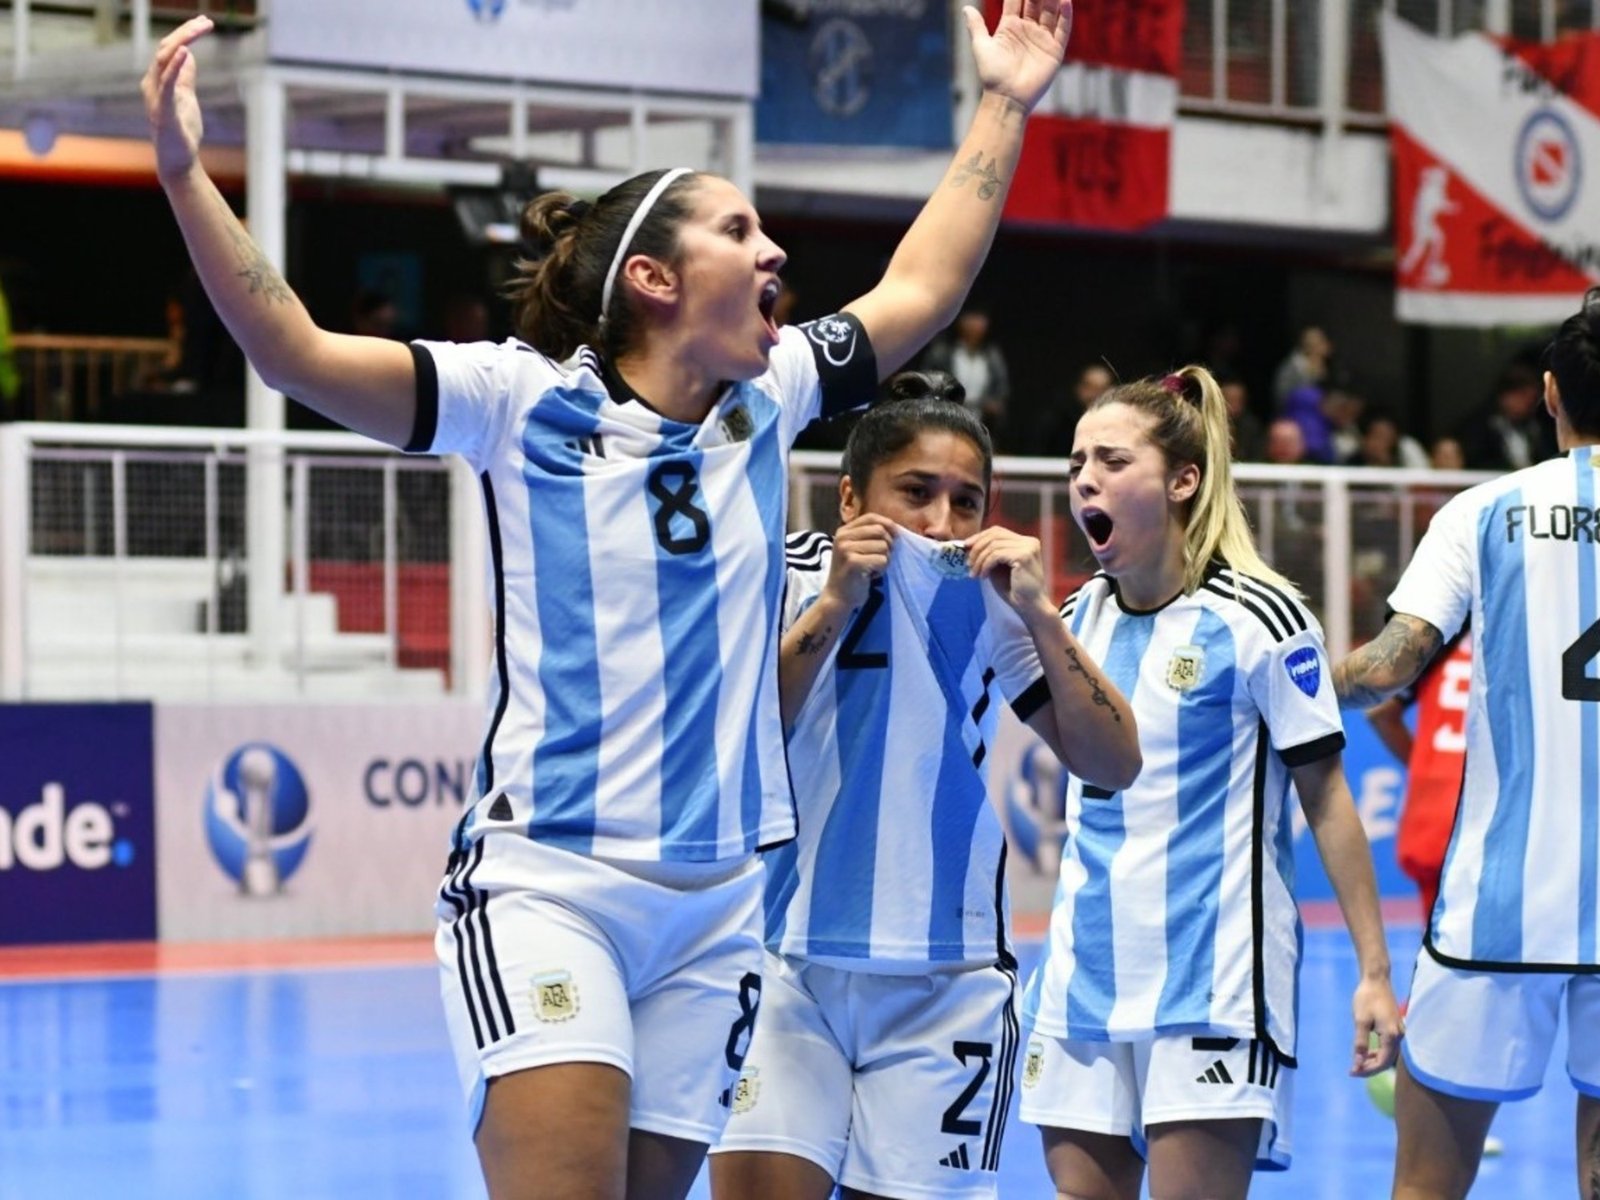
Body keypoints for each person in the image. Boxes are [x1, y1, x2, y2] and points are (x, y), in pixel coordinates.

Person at [142, 5, 1074, 1198]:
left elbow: (925, 285)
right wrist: (183, 176)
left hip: (718, 906)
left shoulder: (766, 399)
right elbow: (294, 351)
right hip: (552, 882)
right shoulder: (516, 402)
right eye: (740, 229)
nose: (774, 250)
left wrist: (1004, 98)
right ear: (653, 276)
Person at [709, 371, 1139, 1200]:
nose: (941, 523)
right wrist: (836, 600)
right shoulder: (786, 577)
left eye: (966, 501)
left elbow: (1114, 762)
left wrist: (1045, 617)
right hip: (782, 961)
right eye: (915, 493)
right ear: (848, 496)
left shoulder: (999, 603)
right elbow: (739, 740)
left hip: (949, 981)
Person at [1019, 366, 1401, 1199]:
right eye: (1078, 461)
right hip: (1083, 972)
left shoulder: (1262, 617)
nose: (1086, 478)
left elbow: (1327, 796)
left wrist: (1374, 972)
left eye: (1114, 461)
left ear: (1183, 480)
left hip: (1215, 980)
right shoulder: (1076, 614)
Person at [1332, 288, 1600, 1200]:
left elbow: (1388, 667)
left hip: (1498, 909)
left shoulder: (1481, 512)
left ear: (1551, 394)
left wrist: (1275, 672)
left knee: (1425, 1189)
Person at [922, 306, 1011, 446]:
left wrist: (993, 404)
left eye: (980, 318)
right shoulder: (942, 353)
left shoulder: (992, 356)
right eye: (971, 318)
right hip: (945, 421)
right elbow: (927, 386)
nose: (976, 323)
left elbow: (1000, 391)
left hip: (981, 425)